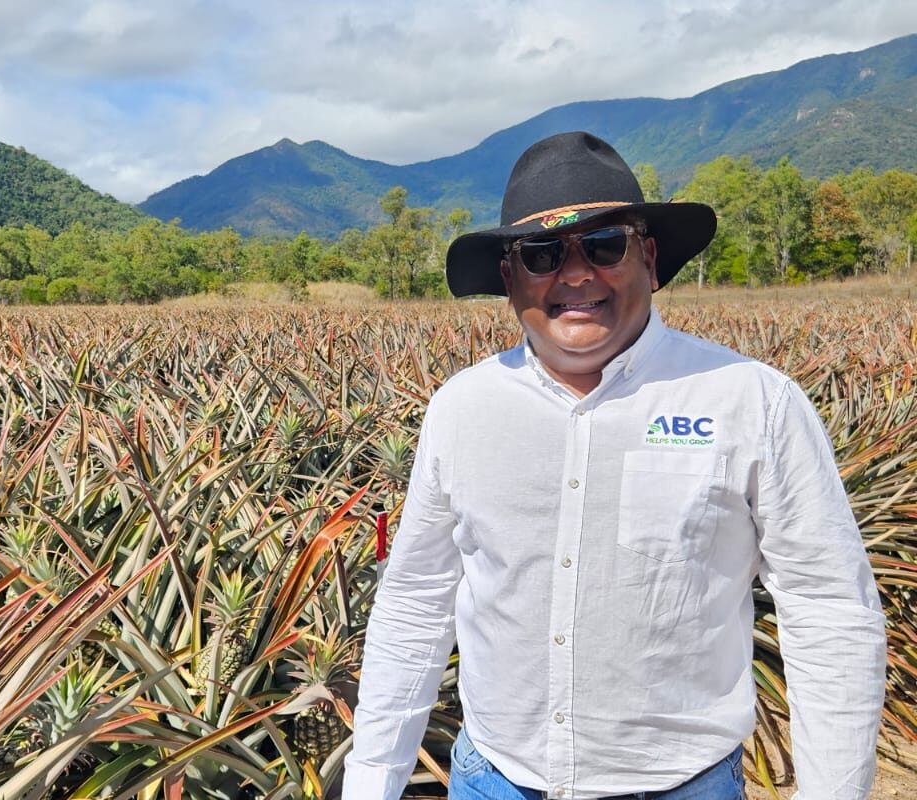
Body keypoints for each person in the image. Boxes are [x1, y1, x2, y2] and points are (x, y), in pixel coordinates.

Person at [343, 131, 886, 800]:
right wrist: (372, 781)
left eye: (605, 246)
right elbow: (417, 599)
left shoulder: (751, 400)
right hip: (495, 779)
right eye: (542, 254)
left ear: (649, 260)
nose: (574, 276)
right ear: (510, 278)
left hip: (682, 784)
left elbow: (828, 606)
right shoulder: (463, 408)